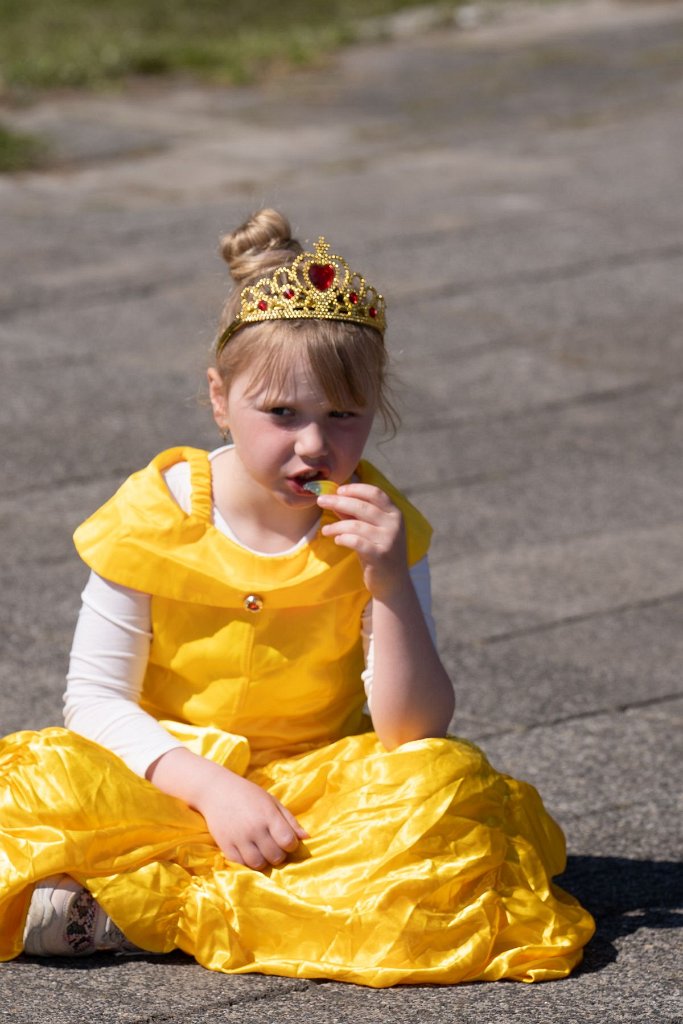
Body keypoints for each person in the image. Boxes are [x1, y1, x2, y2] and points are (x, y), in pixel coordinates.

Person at [0, 209, 594, 984]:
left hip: (318, 790)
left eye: (342, 416)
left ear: (373, 409)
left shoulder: (382, 529)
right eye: (280, 414)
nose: (313, 445)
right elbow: (95, 700)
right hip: (167, 775)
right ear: (220, 399)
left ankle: (132, 904)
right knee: (35, 782)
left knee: (441, 788)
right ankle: (236, 899)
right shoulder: (156, 516)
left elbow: (410, 728)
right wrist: (214, 789)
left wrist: (387, 583)